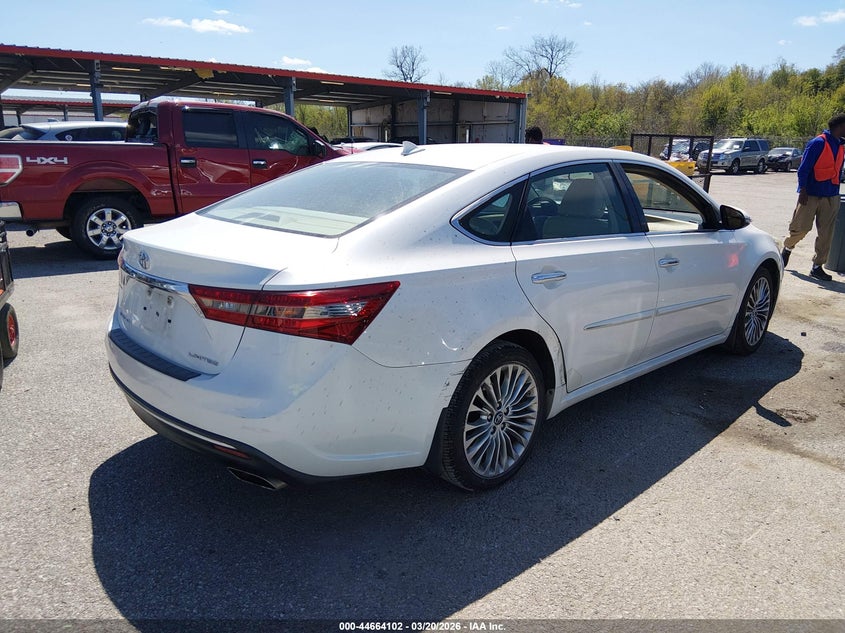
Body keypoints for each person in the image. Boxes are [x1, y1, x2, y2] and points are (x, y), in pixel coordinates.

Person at [780, 113, 845, 281]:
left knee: (826, 234)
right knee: (801, 229)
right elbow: (804, 169)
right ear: (840, 126)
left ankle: (817, 266)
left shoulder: (841, 145)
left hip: (831, 196)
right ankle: (788, 247)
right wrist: (802, 190)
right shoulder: (818, 143)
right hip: (810, 195)